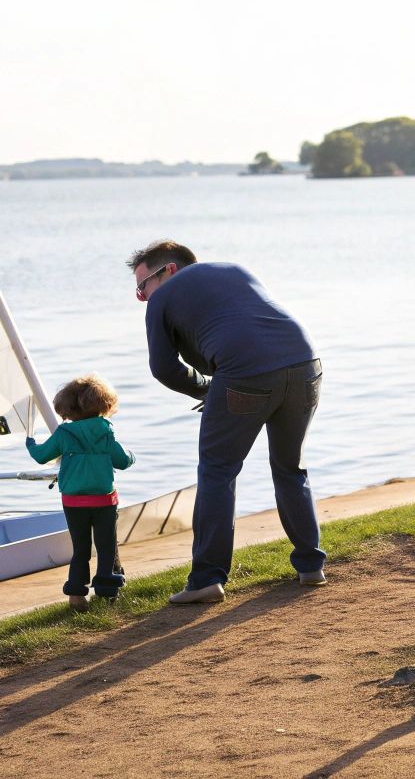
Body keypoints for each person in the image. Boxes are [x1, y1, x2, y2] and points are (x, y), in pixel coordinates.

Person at [130, 240, 327, 605]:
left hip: (244, 375)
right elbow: (252, 324)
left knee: (217, 471)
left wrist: (206, 390)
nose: (142, 297)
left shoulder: (163, 297)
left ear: (169, 270)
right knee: (290, 467)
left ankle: (206, 578)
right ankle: (311, 566)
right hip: (306, 366)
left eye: (143, 286)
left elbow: (163, 369)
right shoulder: (236, 269)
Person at [26, 374, 136, 610]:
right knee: (106, 547)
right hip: (104, 500)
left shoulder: (65, 434)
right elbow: (123, 461)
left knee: (81, 549)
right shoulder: (106, 432)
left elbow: (41, 456)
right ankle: (107, 592)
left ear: (67, 407)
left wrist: (30, 443)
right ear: (103, 404)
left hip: (73, 501)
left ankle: (76, 595)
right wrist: (131, 455)